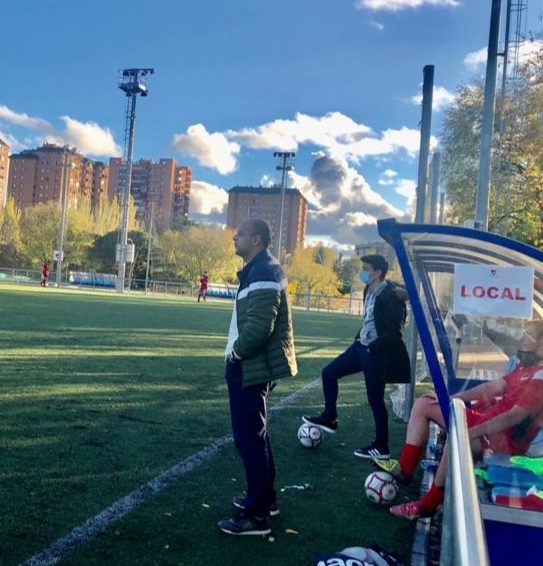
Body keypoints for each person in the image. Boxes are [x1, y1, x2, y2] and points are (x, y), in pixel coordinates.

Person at [375, 322, 543, 520]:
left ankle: (426, 507)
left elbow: (512, 417)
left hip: (500, 440)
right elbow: (493, 387)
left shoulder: (540, 378)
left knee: (455, 442)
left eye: (529, 335)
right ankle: (405, 470)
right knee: (424, 403)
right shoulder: (526, 369)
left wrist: (471, 432)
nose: (522, 338)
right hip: (486, 423)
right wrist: (452, 398)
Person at [218, 219, 297, 536]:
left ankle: (257, 515)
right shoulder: (259, 268)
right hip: (252, 365)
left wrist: (236, 354)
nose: (234, 237)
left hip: (250, 366)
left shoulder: (263, 270)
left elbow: (261, 325)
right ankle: (266, 499)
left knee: (249, 438)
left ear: (257, 239)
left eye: (241, 234)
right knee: (256, 435)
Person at [303, 254, 410, 459]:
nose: (362, 273)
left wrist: (373, 348)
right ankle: (329, 418)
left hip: (375, 353)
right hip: (361, 346)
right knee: (329, 373)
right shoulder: (369, 289)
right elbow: (369, 319)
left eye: (366, 269)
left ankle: (382, 447)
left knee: (375, 399)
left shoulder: (391, 297)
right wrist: (360, 340)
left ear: (377, 272)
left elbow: (395, 334)